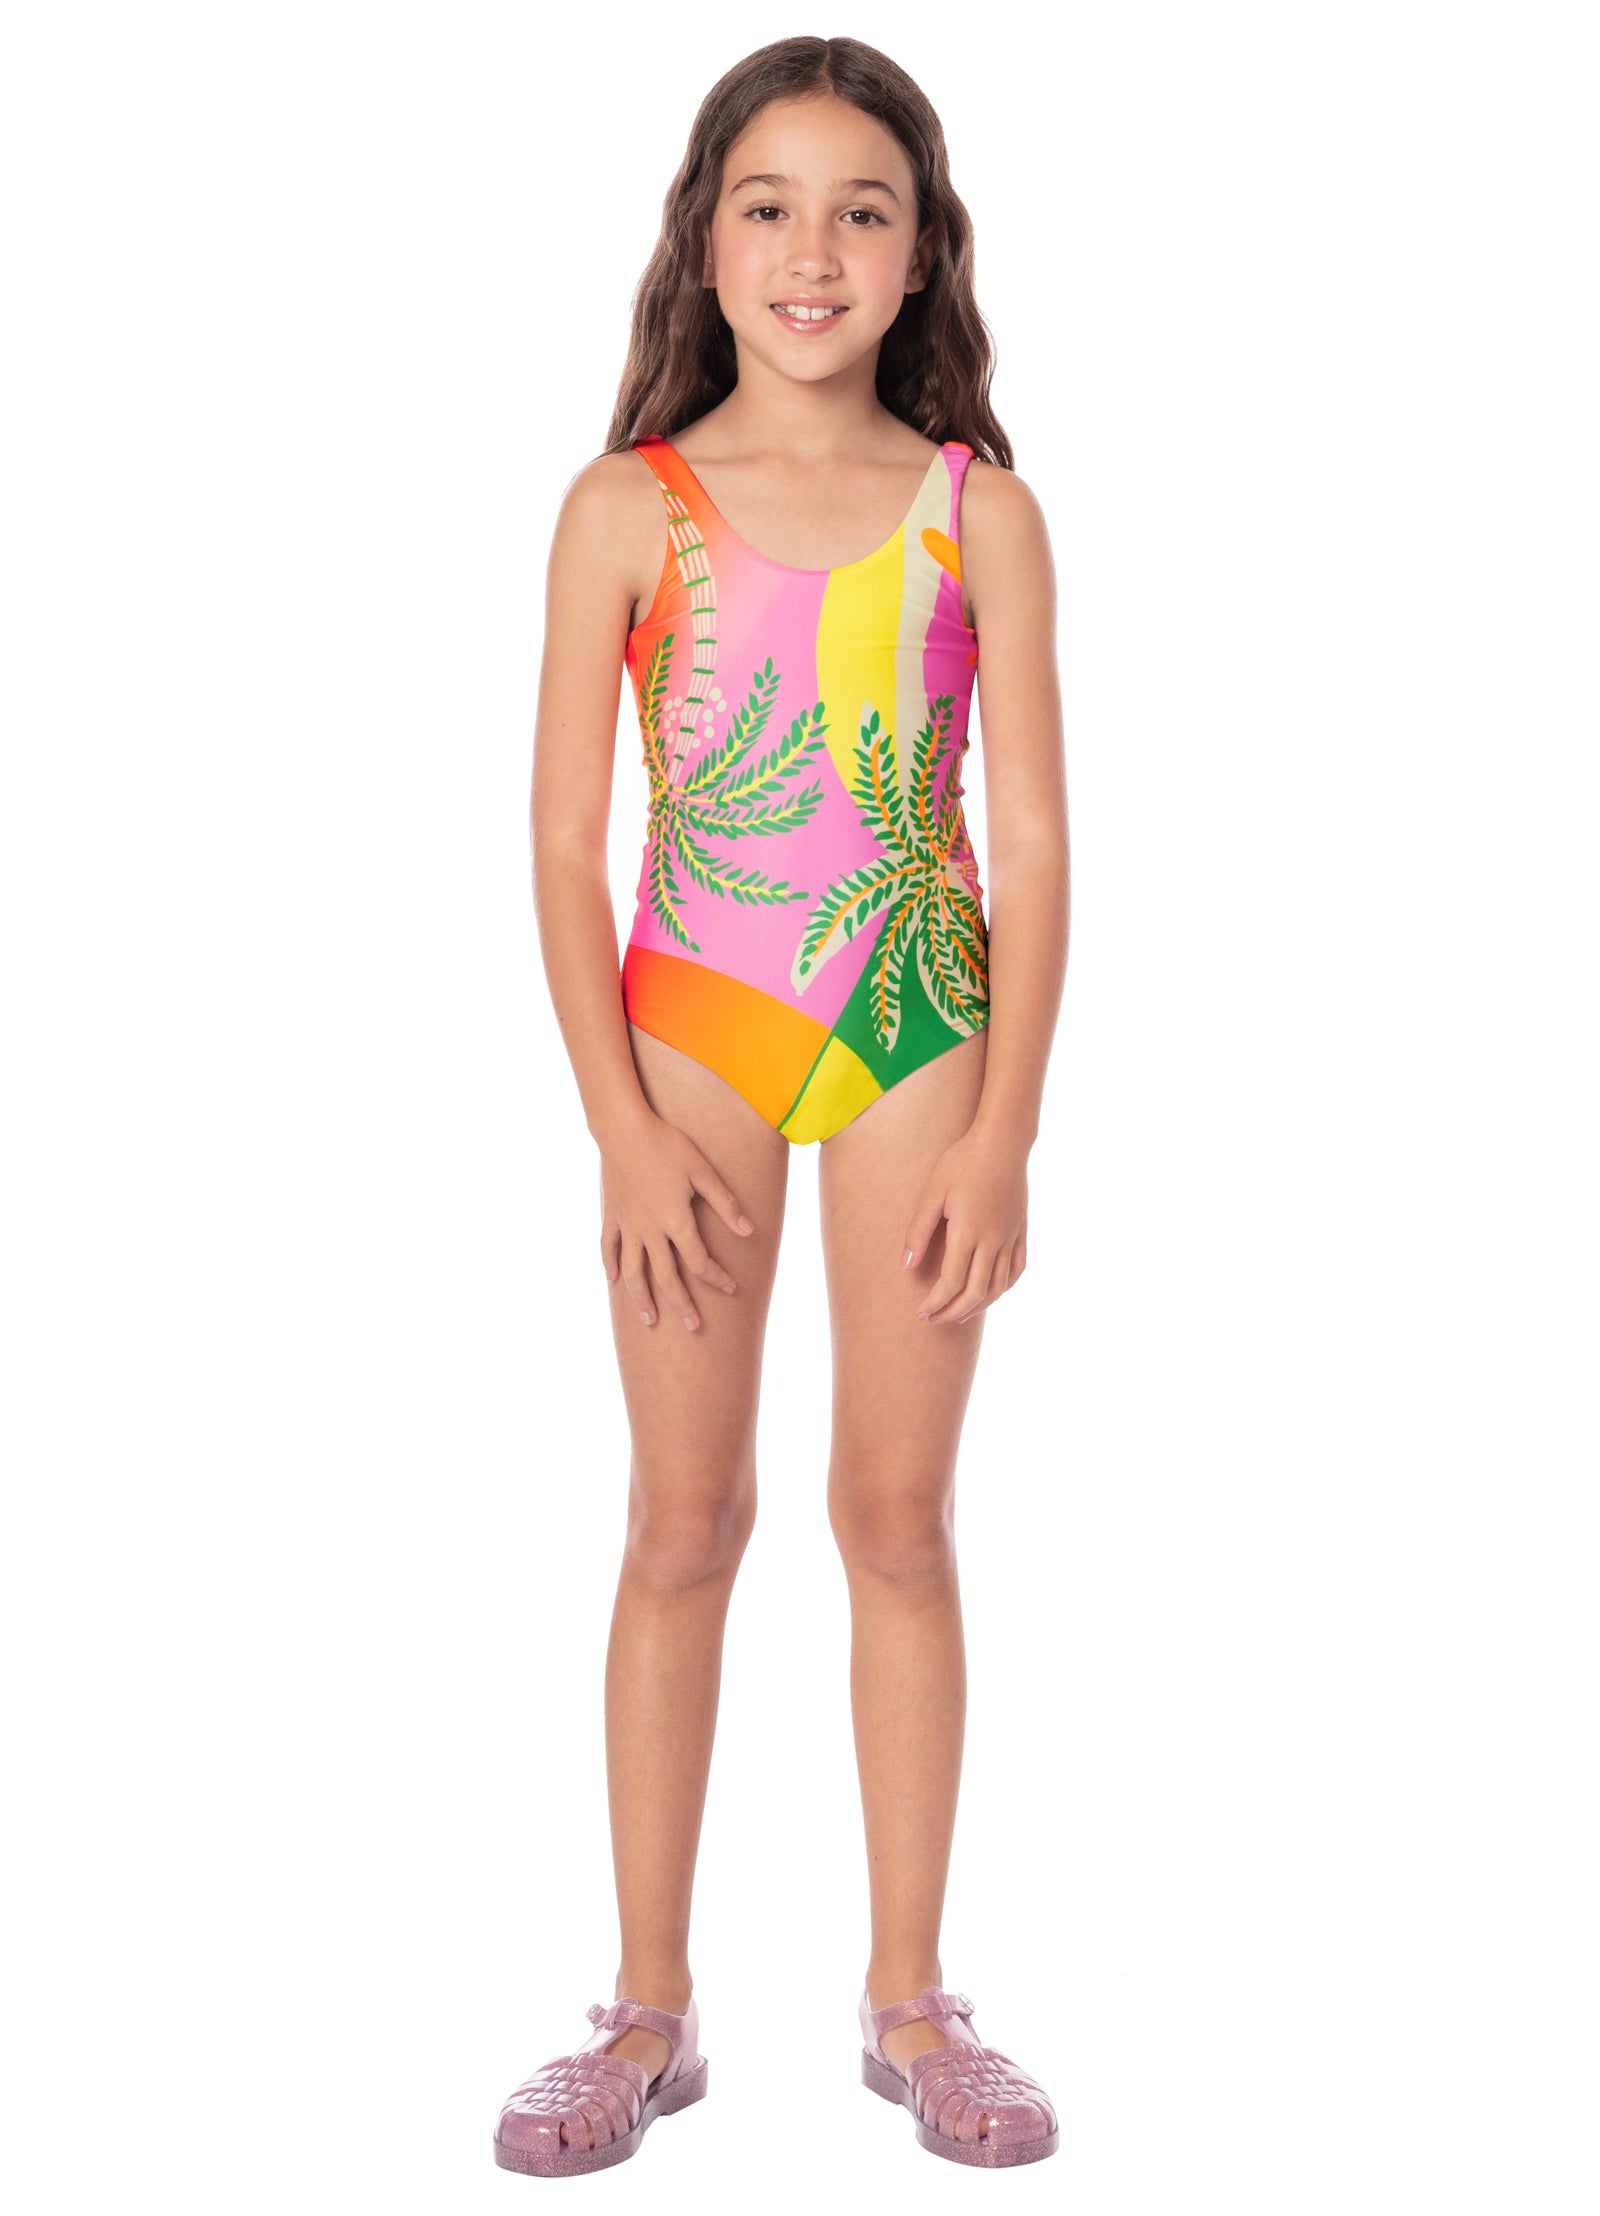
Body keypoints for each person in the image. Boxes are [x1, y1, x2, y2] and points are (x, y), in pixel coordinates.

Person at [494, 34, 1071, 2177]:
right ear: (705, 239)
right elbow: (564, 843)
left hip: (916, 1023)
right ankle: (646, 2007)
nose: (811, 249)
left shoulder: (978, 513)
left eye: (860, 210)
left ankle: (912, 1999)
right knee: (681, 1522)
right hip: (693, 1042)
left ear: (920, 257)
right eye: (769, 205)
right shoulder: (621, 508)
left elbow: (1034, 840)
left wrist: (1004, 1130)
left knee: (897, 1522)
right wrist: (620, 1129)